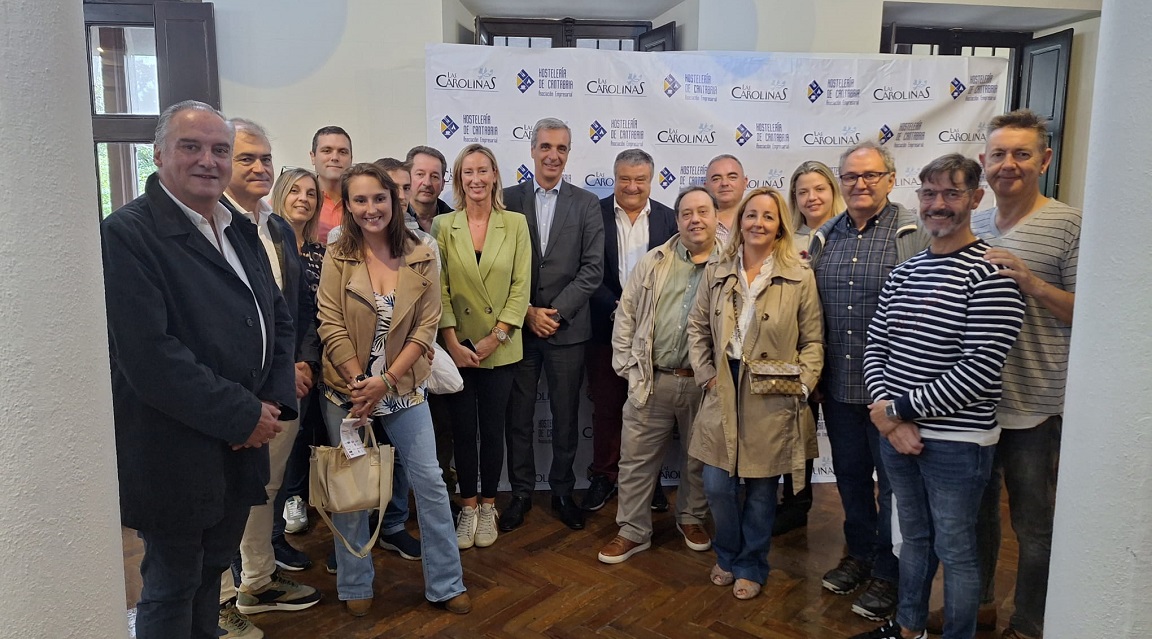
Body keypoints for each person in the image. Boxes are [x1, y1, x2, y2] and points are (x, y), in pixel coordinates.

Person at [102, 100, 298, 639]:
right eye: (192, 147)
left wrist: (273, 406)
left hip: (242, 442)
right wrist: (243, 416)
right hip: (175, 446)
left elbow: (276, 319)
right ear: (160, 153)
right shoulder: (128, 234)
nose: (208, 160)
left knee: (212, 574)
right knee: (172, 582)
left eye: (219, 150)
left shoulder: (237, 228)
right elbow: (150, 357)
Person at [850, 154, 1025, 639]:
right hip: (898, 435)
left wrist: (896, 412)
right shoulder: (906, 273)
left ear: (975, 198)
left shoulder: (994, 274)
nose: (938, 204)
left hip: (957, 444)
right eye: (929, 193)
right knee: (915, 542)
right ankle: (909, 629)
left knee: (958, 551)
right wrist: (889, 420)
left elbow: (978, 371)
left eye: (951, 193)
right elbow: (876, 347)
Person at [925, 110, 1080, 639]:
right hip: (972, 407)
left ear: (1044, 160)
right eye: (998, 154)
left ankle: (1031, 622)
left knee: (1034, 526)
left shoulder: (1068, 224)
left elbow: (1092, 314)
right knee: (977, 519)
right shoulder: (976, 224)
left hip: (1036, 403)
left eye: (1020, 154)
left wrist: (1033, 283)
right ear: (984, 165)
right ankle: (983, 607)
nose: (1007, 165)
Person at [315, 163, 470, 616]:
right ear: (348, 206)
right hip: (347, 391)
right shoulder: (337, 251)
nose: (370, 209)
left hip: (402, 387)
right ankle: (355, 583)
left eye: (378, 198)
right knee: (350, 490)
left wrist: (384, 381)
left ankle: (446, 582)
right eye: (359, 200)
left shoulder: (423, 249)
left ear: (394, 200)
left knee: (431, 483)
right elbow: (330, 319)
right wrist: (357, 382)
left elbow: (426, 326)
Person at [809, 140, 929, 621]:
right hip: (839, 388)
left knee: (897, 487)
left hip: (893, 392)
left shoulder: (912, 232)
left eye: (870, 176)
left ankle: (890, 569)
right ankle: (859, 555)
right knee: (852, 479)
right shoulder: (826, 236)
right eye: (851, 177)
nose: (860, 184)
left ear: (890, 178)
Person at [686, 186, 824, 601]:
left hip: (774, 392)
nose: (758, 223)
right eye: (751, 215)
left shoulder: (800, 276)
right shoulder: (716, 270)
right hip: (722, 384)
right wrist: (707, 374)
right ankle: (726, 553)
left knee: (762, 489)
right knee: (716, 485)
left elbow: (814, 342)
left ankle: (751, 563)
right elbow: (696, 328)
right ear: (740, 222)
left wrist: (802, 383)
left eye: (768, 216)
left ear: (780, 225)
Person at [216, 119, 322, 637]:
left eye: (264, 159)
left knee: (267, 485)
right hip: (236, 393)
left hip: (285, 384)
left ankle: (257, 582)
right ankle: (218, 600)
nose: (259, 168)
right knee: (225, 494)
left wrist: (300, 362)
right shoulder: (212, 223)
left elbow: (295, 307)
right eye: (245, 158)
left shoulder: (276, 227)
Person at [596, 186, 719, 564]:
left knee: (699, 458)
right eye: (686, 213)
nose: (694, 219)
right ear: (677, 219)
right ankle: (633, 530)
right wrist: (628, 369)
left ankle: (692, 518)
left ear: (715, 217)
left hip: (706, 382)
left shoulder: (731, 264)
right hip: (654, 378)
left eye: (702, 212)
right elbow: (627, 314)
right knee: (634, 459)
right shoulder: (655, 260)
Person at [502, 117, 605, 533]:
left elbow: (592, 269)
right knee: (519, 416)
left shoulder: (586, 204)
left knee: (565, 417)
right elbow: (497, 266)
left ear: (568, 153)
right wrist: (526, 311)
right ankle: (522, 492)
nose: (553, 155)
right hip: (517, 329)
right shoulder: (506, 199)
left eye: (561, 148)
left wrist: (555, 313)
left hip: (567, 331)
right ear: (531, 150)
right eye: (545, 147)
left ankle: (563, 490)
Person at [431, 144, 531, 550]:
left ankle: (489, 504)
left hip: (501, 348)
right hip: (457, 347)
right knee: (461, 431)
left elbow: (521, 287)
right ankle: (467, 505)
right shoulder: (443, 226)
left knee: (493, 431)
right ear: (459, 178)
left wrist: (497, 336)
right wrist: (452, 340)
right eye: (468, 171)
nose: (476, 178)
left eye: (483, 170)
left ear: (494, 176)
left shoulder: (517, 224)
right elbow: (440, 288)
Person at [584, 148, 678, 514]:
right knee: (606, 408)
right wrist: (620, 311)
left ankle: (646, 480)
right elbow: (588, 269)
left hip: (656, 335)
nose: (632, 186)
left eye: (640, 179)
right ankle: (604, 476)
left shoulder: (670, 219)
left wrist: (645, 317)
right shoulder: (593, 213)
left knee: (649, 412)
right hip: (602, 329)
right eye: (625, 178)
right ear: (615, 177)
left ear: (651, 181)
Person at [772, 160, 847, 537]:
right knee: (793, 433)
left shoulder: (851, 235)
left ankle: (860, 516)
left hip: (846, 356)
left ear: (833, 191)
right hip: (800, 356)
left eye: (819, 188)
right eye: (803, 191)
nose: (811, 197)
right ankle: (796, 504)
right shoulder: (789, 243)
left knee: (849, 446)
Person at [270, 167, 325, 539]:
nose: (303, 198)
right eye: (295, 191)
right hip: (275, 364)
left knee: (308, 434)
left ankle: (303, 497)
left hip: (315, 358)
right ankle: (287, 503)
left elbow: (316, 309)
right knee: (276, 449)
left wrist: (308, 359)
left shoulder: (324, 251)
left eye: (310, 193)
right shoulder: (263, 243)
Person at [310, 125, 353, 241]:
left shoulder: (363, 203)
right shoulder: (290, 201)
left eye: (342, 152)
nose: (334, 157)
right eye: (327, 151)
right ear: (313, 157)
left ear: (351, 159)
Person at [406, 145, 455, 232]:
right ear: (407, 178)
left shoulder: (454, 221)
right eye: (420, 174)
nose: (427, 183)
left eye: (434, 176)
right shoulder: (394, 219)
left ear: (443, 184)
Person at [705, 154, 749, 246]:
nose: (724, 183)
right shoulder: (697, 225)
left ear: (745, 182)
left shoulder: (759, 222)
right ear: (706, 186)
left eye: (732, 177)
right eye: (716, 179)